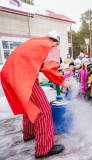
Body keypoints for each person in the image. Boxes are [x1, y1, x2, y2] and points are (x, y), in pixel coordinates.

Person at [0, 30, 72, 158]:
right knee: (44, 110)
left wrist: (60, 70)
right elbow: (49, 68)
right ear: (56, 42)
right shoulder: (51, 46)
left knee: (30, 104)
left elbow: (39, 64)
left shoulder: (37, 42)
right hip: (23, 77)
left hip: (9, 73)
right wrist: (63, 81)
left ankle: (28, 134)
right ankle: (43, 148)